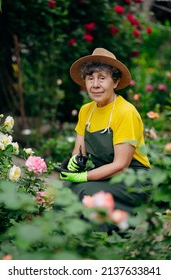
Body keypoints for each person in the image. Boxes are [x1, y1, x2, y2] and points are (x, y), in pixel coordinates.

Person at [58, 47, 151, 220]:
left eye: (102, 78)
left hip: (133, 179)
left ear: (115, 82)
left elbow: (120, 165)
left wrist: (84, 176)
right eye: (90, 78)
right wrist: (73, 164)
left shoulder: (125, 112)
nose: (95, 85)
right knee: (66, 192)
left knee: (87, 194)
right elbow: (79, 152)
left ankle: (103, 241)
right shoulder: (86, 111)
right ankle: (66, 243)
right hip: (106, 175)